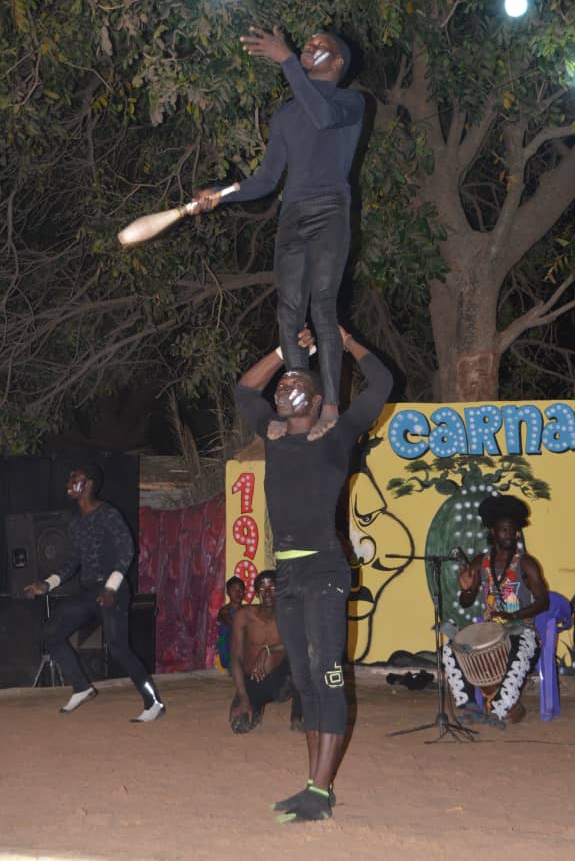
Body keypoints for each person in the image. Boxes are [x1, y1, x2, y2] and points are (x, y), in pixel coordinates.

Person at [234, 325, 392, 822]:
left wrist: (344, 342)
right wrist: (285, 351)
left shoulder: (338, 434)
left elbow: (382, 383)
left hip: (324, 571)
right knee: (304, 682)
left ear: (318, 398)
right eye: (280, 384)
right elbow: (243, 389)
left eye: (292, 383)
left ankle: (321, 792)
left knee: (326, 678)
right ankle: (313, 787)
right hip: (288, 576)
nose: (282, 386)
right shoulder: (274, 435)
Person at [194, 27, 364, 440]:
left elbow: (322, 119)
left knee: (322, 304)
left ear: (338, 62)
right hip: (293, 214)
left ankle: (330, 407)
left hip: (330, 209)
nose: (310, 46)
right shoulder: (286, 114)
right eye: (307, 44)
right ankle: (298, 403)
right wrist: (223, 193)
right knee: (288, 309)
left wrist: (287, 60)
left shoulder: (351, 101)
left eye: (321, 45)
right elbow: (267, 179)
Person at [24, 463, 165, 722]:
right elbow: (72, 562)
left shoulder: (109, 514)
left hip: (114, 589)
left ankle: (153, 702)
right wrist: (47, 584)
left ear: (88, 484)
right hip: (88, 591)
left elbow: (126, 551)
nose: (68, 482)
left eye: (74, 478)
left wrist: (111, 587)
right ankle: (81, 687)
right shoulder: (76, 522)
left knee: (119, 648)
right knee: (51, 634)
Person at [442, 494, 549, 727]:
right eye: (503, 530)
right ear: (492, 532)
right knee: (452, 648)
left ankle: (503, 706)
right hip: (489, 630)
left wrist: (514, 616)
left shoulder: (527, 563)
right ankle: (469, 705)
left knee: (519, 645)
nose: (509, 535)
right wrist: (468, 590)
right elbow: (466, 601)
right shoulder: (481, 562)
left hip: (521, 630)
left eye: (512, 530)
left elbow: (543, 602)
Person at [229, 570, 302, 734]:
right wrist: (243, 696)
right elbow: (236, 658)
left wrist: (267, 650)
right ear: (256, 593)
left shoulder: (288, 615)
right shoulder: (244, 615)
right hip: (253, 683)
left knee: (301, 660)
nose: (268, 593)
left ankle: (297, 717)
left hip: (280, 683)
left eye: (272, 587)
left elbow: (299, 645)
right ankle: (256, 705)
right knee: (239, 726)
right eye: (262, 589)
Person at [215, 576, 246, 673]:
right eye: (234, 590)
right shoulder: (225, 611)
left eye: (241, 589)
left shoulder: (247, 609)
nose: (238, 592)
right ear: (228, 592)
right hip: (226, 648)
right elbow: (233, 625)